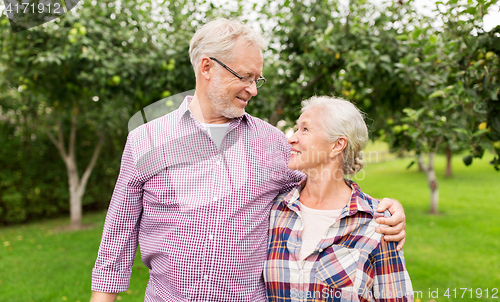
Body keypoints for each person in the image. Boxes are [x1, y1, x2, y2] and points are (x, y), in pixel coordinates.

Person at [91, 19, 407, 302]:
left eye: (258, 79)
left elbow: (324, 189)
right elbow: (119, 232)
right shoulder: (146, 139)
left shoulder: (272, 143)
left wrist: (384, 209)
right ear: (206, 68)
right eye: (244, 77)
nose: (253, 90)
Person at [264, 96, 413, 302]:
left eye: (305, 129)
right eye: (296, 128)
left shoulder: (377, 223)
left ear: (337, 145)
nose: (291, 138)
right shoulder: (276, 210)